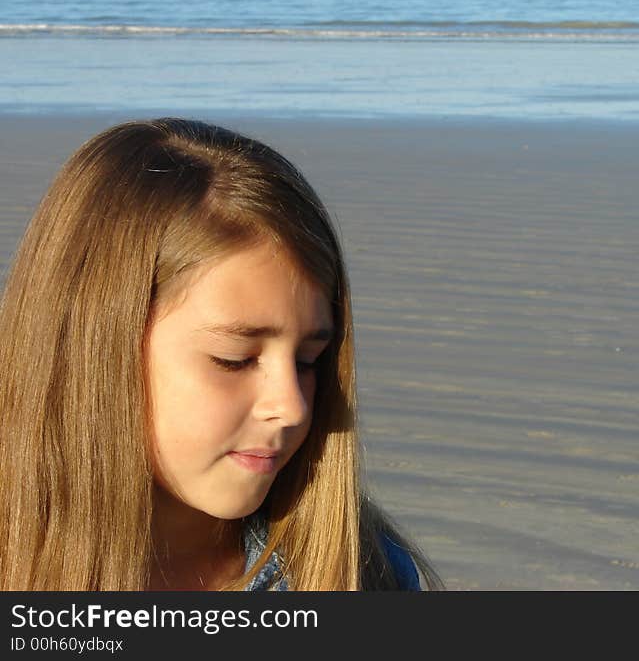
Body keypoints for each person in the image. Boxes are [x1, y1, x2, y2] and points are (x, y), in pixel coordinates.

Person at [0, 118, 441, 591]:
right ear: (92, 350)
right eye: (235, 359)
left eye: (308, 361)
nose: (291, 407)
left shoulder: (362, 573)